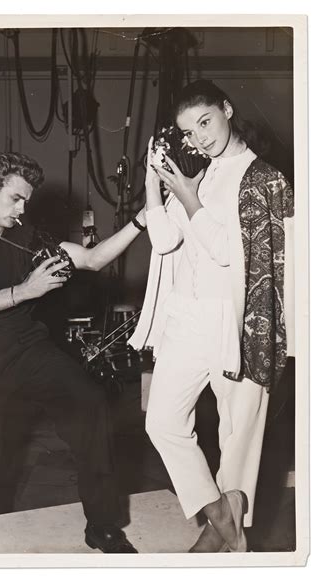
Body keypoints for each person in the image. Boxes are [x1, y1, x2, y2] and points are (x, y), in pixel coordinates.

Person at [0, 151, 147, 553]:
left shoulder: (28, 239)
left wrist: (142, 220)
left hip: (28, 347)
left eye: (27, 200)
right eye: (15, 199)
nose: (23, 209)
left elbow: (93, 259)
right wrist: (26, 291)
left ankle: (102, 524)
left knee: (89, 402)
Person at [129, 79, 294, 552]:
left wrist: (188, 197)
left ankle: (220, 542)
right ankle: (223, 519)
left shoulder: (262, 177)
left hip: (232, 321)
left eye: (206, 122)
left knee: (235, 440)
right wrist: (153, 184)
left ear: (227, 109)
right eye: (190, 131)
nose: (200, 137)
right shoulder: (200, 171)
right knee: (161, 422)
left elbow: (232, 252)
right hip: (185, 318)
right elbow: (163, 241)